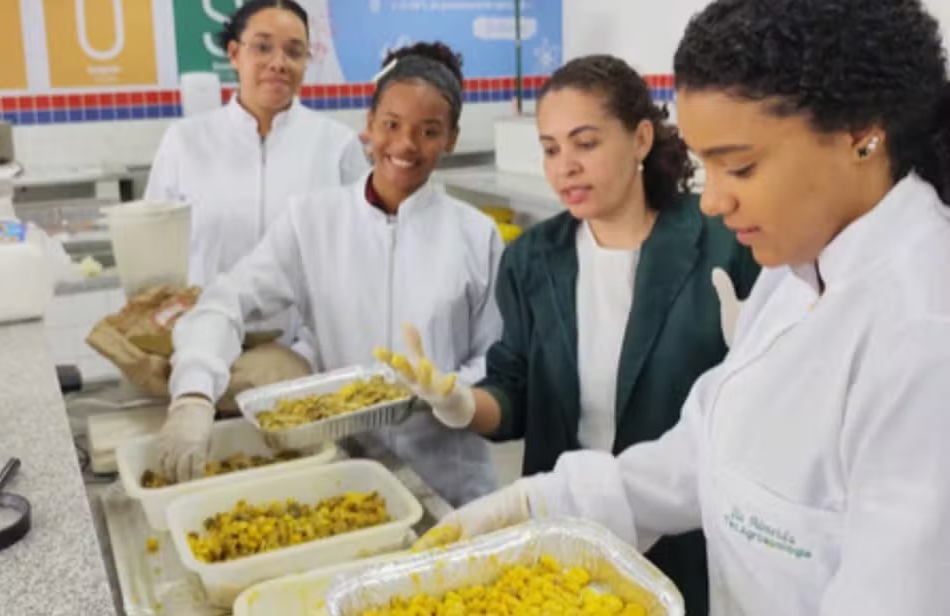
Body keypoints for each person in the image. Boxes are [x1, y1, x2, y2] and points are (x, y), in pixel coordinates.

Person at [404, 0, 950, 613]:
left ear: (861, 136)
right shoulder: (797, 268)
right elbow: (703, 453)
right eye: (704, 165)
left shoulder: (923, 335)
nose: (712, 201)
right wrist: (538, 504)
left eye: (739, 166)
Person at [378, 54, 759, 614]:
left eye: (585, 143)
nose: (565, 167)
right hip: (563, 535)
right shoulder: (535, 258)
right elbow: (514, 394)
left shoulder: (724, 245)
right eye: (551, 149)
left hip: (685, 537)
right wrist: (459, 403)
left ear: (640, 139)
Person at [155, 42, 503, 508]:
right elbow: (226, 301)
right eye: (392, 124)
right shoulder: (312, 221)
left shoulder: (476, 235)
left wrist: (450, 392)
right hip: (345, 476)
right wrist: (194, 393)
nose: (405, 144)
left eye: (429, 131)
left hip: (451, 482)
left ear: (452, 139)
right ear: (369, 125)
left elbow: (497, 357)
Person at [146, 0, 367, 306]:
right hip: (206, 327)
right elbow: (156, 248)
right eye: (263, 48)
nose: (278, 63)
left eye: (294, 52)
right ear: (234, 53)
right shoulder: (185, 142)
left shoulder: (337, 144)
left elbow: (362, 246)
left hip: (306, 331)